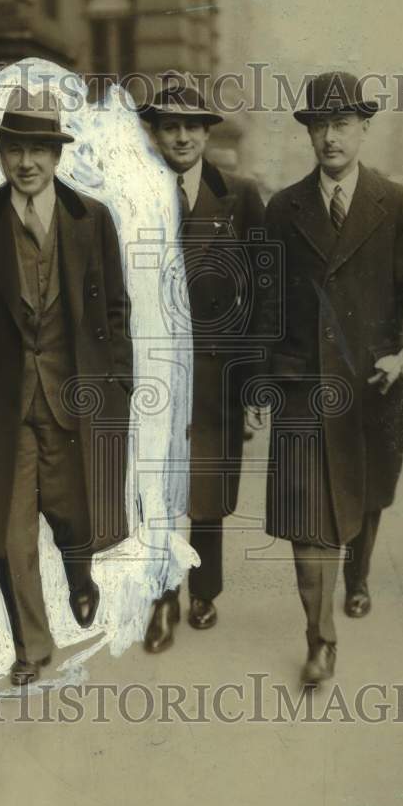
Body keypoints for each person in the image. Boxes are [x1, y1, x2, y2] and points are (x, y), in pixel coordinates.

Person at [249, 71, 403, 686]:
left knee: (367, 496)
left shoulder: (395, 203)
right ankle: (320, 638)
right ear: (308, 131)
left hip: (374, 385)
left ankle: (357, 575)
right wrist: (258, 381)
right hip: (303, 386)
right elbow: (265, 301)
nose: (330, 138)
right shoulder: (284, 208)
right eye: (319, 125)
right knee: (309, 513)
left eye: (342, 124)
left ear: (363, 128)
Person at [0, 86, 133, 685]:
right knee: (9, 529)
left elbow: (118, 311)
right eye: (15, 150)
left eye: (38, 150)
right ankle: (31, 646)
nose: (26, 163)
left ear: (57, 156)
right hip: (1, 404)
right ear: (1, 156)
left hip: (76, 395)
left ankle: (79, 573)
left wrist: (118, 380)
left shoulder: (90, 219)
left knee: (74, 511)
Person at [138, 81, 265, 653]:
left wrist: (255, 382)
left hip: (216, 373)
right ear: (155, 133)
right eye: (169, 125)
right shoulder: (130, 197)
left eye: (193, 125)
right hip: (152, 373)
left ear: (209, 132)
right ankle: (162, 599)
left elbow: (263, 296)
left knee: (207, 488)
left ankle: (204, 590)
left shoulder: (239, 195)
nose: (182, 136)